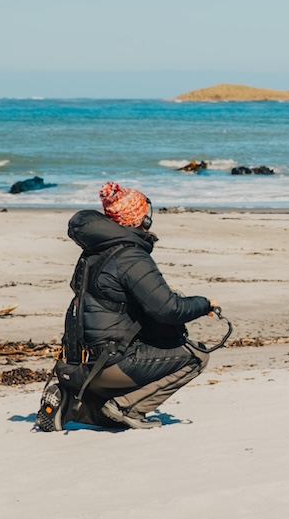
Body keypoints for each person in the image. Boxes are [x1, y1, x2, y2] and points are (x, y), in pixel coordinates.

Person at [37, 182, 217, 431]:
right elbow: (167, 309)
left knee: (137, 353)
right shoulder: (130, 256)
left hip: (77, 363)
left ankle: (70, 403)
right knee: (197, 356)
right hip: (108, 365)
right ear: (139, 219)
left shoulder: (93, 253)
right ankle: (128, 408)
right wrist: (203, 304)